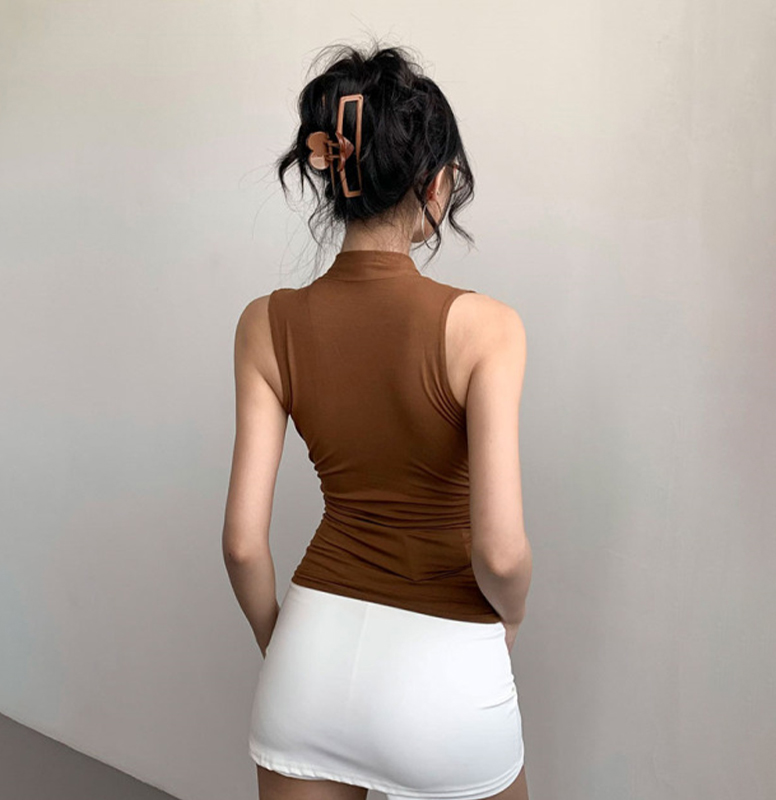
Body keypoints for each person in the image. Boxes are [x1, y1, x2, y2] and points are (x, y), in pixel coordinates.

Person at [222, 41, 532, 800]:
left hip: (308, 658)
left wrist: (282, 646)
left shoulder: (264, 323)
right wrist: (511, 621)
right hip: (446, 672)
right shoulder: (487, 327)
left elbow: (241, 544)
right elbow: (499, 553)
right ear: (435, 182)